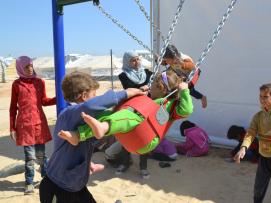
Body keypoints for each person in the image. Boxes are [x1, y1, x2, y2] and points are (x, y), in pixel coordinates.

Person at [39, 71, 145, 203]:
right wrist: (126, 92)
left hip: (75, 185)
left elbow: (79, 147)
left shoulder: (85, 121)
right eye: (94, 95)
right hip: (58, 187)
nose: (96, 98)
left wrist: (86, 163)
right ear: (84, 96)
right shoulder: (68, 114)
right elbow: (91, 105)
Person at [57, 70, 193, 159]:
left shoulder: (172, 108)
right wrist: (139, 91)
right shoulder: (149, 97)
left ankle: (104, 127)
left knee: (134, 116)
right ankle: (79, 135)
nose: (150, 86)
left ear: (162, 89)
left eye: (153, 85)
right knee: (108, 113)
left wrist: (185, 92)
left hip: (146, 139)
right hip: (130, 134)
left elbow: (187, 110)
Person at [9, 56, 56, 194]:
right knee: (30, 157)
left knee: (41, 155)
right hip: (24, 126)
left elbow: (45, 101)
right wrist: (12, 127)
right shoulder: (16, 85)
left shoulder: (40, 82)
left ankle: (46, 179)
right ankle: (29, 182)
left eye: (31, 66)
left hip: (39, 124)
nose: (30, 69)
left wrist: (58, 98)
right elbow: (13, 108)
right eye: (26, 67)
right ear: (20, 68)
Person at [114, 51, 153, 179]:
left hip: (146, 108)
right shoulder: (124, 75)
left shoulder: (148, 73)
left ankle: (143, 167)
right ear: (127, 62)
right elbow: (130, 90)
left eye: (137, 59)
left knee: (145, 136)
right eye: (133, 60)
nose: (136, 62)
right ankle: (125, 163)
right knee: (128, 135)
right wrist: (143, 89)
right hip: (131, 109)